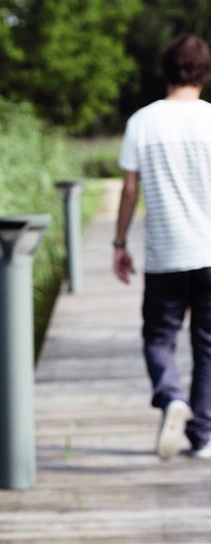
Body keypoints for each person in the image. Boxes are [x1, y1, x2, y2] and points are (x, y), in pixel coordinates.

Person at [114, 33, 211, 460]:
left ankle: (171, 396)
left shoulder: (142, 121)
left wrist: (119, 242)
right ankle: (203, 437)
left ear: (166, 72)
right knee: (207, 346)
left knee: (159, 338)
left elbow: (130, 190)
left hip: (165, 255)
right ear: (204, 73)